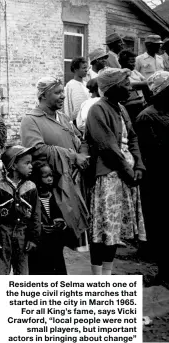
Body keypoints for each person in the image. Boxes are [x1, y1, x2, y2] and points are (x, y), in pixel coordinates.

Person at [85, 68, 146, 276]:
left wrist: (139, 165)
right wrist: (129, 172)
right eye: (126, 84)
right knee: (102, 230)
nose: (130, 88)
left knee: (114, 230)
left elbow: (133, 137)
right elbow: (108, 147)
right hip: (108, 176)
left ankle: (107, 277)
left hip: (125, 175)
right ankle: (98, 279)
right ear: (113, 88)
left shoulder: (121, 108)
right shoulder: (98, 110)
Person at [20, 77, 89, 253]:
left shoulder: (64, 118)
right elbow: (38, 149)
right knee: (47, 240)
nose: (63, 97)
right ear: (43, 96)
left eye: (63, 92)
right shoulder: (31, 120)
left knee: (63, 236)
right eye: (57, 92)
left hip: (70, 182)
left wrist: (81, 154)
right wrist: (72, 156)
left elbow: (79, 140)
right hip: (49, 187)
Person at [135, 71, 169, 287]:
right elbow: (154, 153)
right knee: (161, 226)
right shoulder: (146, 116)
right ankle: (163, 272)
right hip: (158, 181)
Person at [0, 146, 40, 275]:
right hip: (3, 234)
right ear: (13, 166)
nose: (31, 166)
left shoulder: (31, 187)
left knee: (22, 271)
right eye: (27, 163)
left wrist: (33, 238)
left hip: (23, 234)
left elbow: (35, 215)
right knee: (2, 270)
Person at [28, 161, 68, 275]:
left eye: (51, 175)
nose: (50, 179)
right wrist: (40, 226)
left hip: (54, 243)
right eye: (46, 176)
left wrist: (60, 223)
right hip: (39, 243)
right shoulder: (32, 197)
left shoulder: (54, 195)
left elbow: (61, 215)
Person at [119, 50, 148, 123]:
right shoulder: (120, 74)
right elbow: (132, 85)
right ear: (123, 62)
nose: (134, 64)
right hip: (129, 107)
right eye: (131, 62)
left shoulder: (135, 72)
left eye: (134, 62)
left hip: (141, 104)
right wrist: (143, 84)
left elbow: (146, 82)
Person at [64, 57, 91, 124]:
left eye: (86, 68)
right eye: (83, 68)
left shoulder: (86, 85)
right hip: (76, 121)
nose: (86, 70)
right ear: (76, 69)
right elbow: (67, 105)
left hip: (88, 120)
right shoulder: (70, 85)